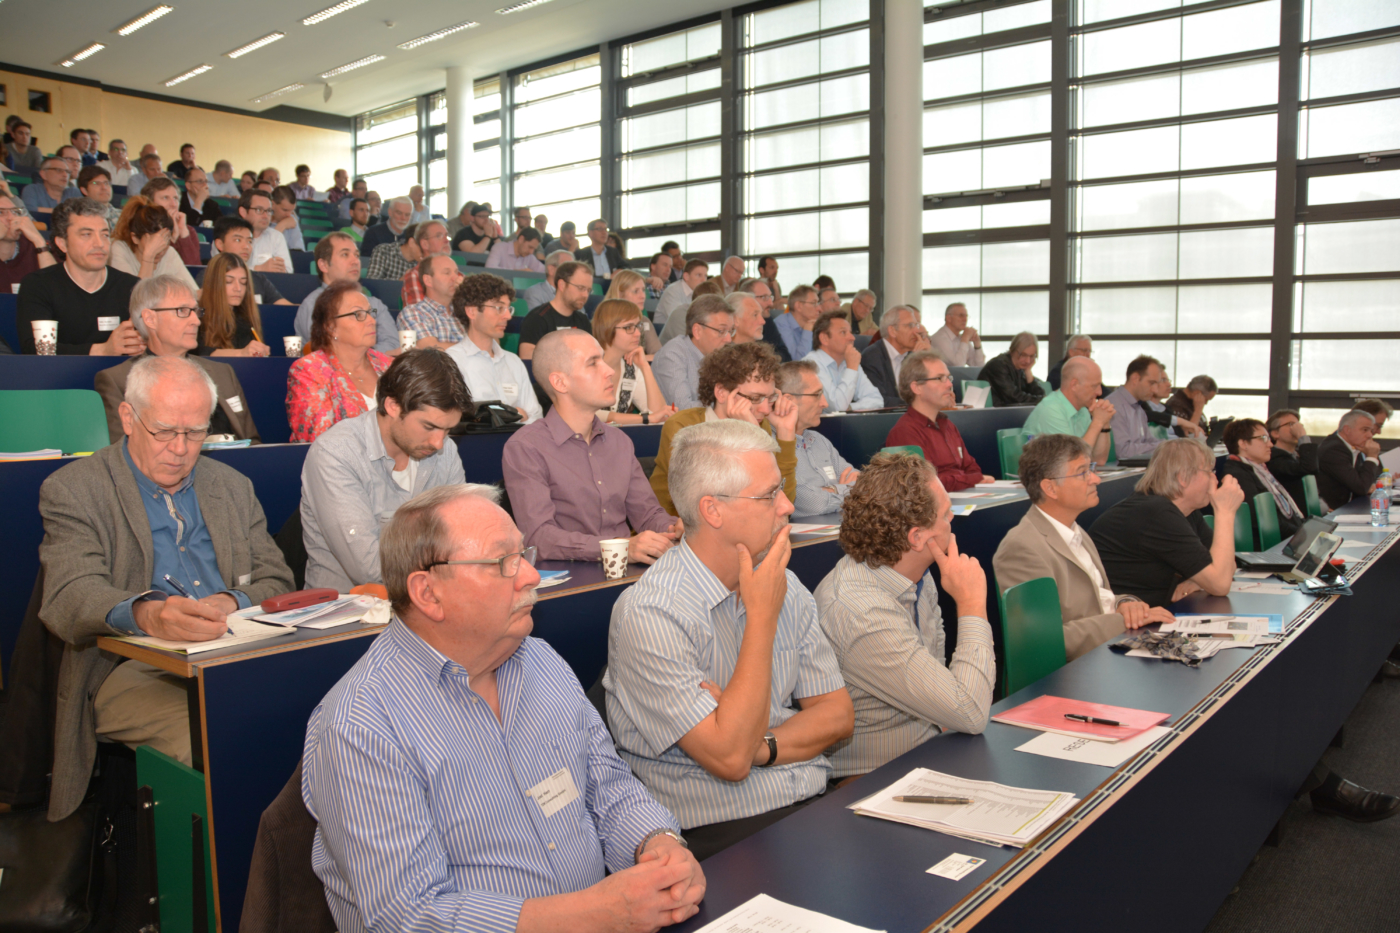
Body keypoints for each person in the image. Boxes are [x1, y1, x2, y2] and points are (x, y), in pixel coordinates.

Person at [302, 482, 705, 932]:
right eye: (502, 563)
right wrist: (594, 915)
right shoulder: (361, 724)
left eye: (523, 555)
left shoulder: (540, 661)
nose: (531, 576)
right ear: (428, 593)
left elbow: (608, 787)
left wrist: (658, 844)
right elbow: (410, 917)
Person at [36, 354, 294, 825]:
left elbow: (277, 579)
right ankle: (226, 890)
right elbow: (69, 594)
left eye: (195, 433)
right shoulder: (76, 489)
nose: (180, 448)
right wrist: (147, 614)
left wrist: (232, 601)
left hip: (234, 661)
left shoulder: (232, 487)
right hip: (126, 667)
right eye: (164, 432)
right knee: (222, 741)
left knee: (310, 721)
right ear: (128, 418)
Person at [606, 418, 853, 860]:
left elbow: (836, 716)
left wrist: (763, 744)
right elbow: (730, 760)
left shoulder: (784, 584)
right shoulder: (651, 613)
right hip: (721, 834)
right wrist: (760, 618)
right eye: (769, 495)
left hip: (808, 798)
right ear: (712, 511)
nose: (788, 506)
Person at [816, 452, 994, 778]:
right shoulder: (862, 612)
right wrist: (972, 607)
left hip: (930, 751)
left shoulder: (916, 576)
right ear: (916, 537)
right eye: (945, 515)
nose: (952, 518)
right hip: (874, 779)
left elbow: (950, 696)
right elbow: (970, 712)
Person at [504, 329, 682, 563]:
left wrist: (678, 527)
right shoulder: (526, 447)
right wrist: (619, 548)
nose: (609, 371)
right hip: (570, 584)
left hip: (627, 576)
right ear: (560, 382)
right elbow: (540, 537)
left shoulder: (619, 441)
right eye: (593, 363)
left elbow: (648, 515)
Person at [301, 350, 471, 591]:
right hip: (346, 616)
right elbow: (369, 568)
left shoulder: (446, 451)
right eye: (429, 426)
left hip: (429, 602)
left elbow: (463, 537)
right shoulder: (335, 453)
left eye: (447, 430)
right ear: (392, 405)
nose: (438, 443)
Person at [994, 435, 1175, 660]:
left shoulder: (1077, 532)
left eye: (1091, 469)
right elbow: (1043, 640)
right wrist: (1122, 620)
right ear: (1050, 488)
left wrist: (1126, 604)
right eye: (1083, 472)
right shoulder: (1021, 548)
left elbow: (1096, 602)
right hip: (1065, 679)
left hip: (1102, 658)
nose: (1096, 479)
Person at [94, 275, 260, 443]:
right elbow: (123, 452)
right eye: (182, 311)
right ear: (150, 319)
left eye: (196, 311)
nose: (196, 321)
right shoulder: (118, 380)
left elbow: (252, 443)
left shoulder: (223, 373)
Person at [1088, 438, 1243, 607]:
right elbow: (1220, 584)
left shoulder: (1184, 510)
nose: (1215, 478)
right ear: (1183, 477)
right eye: (1209, 471)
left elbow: (1227, 566)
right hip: (1124, 622)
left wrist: (1198, 581)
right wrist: (1225, 512)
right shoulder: (1156, 513)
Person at [649, 341, 799, 515]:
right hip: (675, 531)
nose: (766, 409)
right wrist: (750, 436)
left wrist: (786, 433)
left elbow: (782, 505)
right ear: (721, 392)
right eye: (755, 398)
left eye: (770, 397)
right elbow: (707, 506)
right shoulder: (683, 426)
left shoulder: (758, 424)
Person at [16, 198, 143, 355]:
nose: (100, 243)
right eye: (86, 234)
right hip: (58, 377)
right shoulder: (38, 285)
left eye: (104, 235)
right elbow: (35, 350)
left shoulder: (132, 287)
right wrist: (102, 350)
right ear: (62, 244)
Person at [287, 280, 395, 443]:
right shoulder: (309, 371)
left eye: (370, 312)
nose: (372, 321)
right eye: (358, 314)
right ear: (330, 327)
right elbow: (320, 440)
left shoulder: (389, 366)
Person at [884, 350, 993, 490]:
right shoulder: (905, 432)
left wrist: (971, 478)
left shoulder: (948, 426)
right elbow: (926, 484)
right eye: (940, 378)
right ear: (917, 387)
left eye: (949, 378)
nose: (949, 384)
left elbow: (973, 468)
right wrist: (972, 479)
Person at [445, 273, 543, 423]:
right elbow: (464, 420)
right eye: (498, 308)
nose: (507, 316)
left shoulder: (513, 362)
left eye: (508, 308)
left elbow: (535, 416)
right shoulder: (453, 361)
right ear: (471, 311)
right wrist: (516, 414)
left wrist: (497, 416)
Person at [294, 232, 400, 355]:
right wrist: (369, 356)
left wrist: (361, 358)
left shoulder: (374, 304)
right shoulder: (313, 304)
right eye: (345, 254)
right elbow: (327, 351)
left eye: (357, 255)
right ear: (324, 265)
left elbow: (393, 344)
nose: (355, 261)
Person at [778, 360, 859, 518]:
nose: (825, 403)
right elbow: (811, 503)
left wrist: (832, 490)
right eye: (817, 395)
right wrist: (842, 489)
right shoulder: (772, 445)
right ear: (788, 400)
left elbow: (864, 486)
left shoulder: (819, 441)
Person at [592, 298, 673, 425]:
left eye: (637, 326)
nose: (638, 333)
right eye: (629, 327)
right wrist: (644, 419)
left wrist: (644, 366)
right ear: (607, 328)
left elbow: (659, 416)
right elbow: (590, 414)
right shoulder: (587, 364)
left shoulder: (630, 368)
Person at [1106, 355, 1203, 460]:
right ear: (1135, 379)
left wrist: (1174, 445)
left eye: (1157, 384)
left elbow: (1149, 441)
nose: (1155, 390)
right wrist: (1168, 446)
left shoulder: (1138, 407)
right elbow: (1124, 451)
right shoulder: (1113, 405)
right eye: (1151, 383)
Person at [1021, 356, 1114, 465]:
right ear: (1074, 385)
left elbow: (1099, 460)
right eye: (1094, 386)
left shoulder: (1082, 409)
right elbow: (1072, 463)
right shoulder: (1051, 409)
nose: (1099, 392)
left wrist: (1104, 423)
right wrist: (1097, 422)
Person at [1221, 419, 1305, 539]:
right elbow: (1261, 519)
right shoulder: (1237, 475)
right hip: (1269, 545)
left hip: (1287, 536)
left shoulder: (1259, 469)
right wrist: (1302, 534)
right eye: (1263, 438)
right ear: (1243, 444)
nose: (1270, 444)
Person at [652, 294, 736, 412]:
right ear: (697, 331)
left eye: (731, 331)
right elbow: (684, 409)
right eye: (721, 331)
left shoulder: (726, 353)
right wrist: (728, 404)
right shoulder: (672, 355)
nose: (729, 339)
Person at [108, 196, 199, 294]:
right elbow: (135, 300)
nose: (160, 249)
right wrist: (149, 257)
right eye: (153, 242)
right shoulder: (119, 249)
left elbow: (193, 293)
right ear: (135, 238)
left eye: (165, 240)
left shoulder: (170, 253)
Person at [197, 215, 292, 305]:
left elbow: (285, 306)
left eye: (250, 241)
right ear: (220, 244)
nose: (246, 246)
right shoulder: (207, 276)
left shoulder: (259, 278)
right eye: (238, 240)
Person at [802, 310, 884, 413]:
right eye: (843, 332)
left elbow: (877, 400)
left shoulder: (849, 361)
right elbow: (836, 407)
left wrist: (850, 407)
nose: (852, 338)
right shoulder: (811, 364)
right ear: (824, 338)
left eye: (851, 332)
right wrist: (851, 369)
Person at [197, 253, 270, 357]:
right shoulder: (197, 315)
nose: (238, 288)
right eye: (229, 281)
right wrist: (241, 353)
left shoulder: (245, 318)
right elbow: (198, 354)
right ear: (213, 283)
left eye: (243, 282)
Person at [519, 260, 593, 360]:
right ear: (562, 285)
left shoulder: (582, 321)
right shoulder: (537, 318)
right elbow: (526, 355)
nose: (585, 295)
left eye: (588, 290)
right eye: (580, 288)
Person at [861, 304, 930, 406]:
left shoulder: (913, 355)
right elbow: (879, 400)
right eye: (910, 325)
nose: (916, 331)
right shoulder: (871, 357)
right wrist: (920, 402)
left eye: (916, 325)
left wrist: (926, 361)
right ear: (893, 331)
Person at [1315, 409, 1382, 510]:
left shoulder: (1353, 447)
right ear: (1347, 430)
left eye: (1371, 431)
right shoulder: (1333, 451)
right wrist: (1372, 456)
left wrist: (1368, 485)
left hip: (1347, 507)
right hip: (1332, 513)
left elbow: (1365, 482)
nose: (1370, 435)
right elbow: (1362, 487)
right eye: (1365, 430)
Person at [398, 254, 466, 349]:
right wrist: (475, 350)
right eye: (447, 273)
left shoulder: (467, 311)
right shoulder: (413, 312)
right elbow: (430, 349)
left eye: (456, 272)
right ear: (428, 280)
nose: (456, 278)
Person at [218, 188, 292, 274]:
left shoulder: (276, 237)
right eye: (259, 210)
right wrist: (258, 268)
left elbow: (287, 272)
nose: (265, 216)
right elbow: (220, 270)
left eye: (268, 211)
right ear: (243, 212)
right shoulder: (226, 234)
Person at [138, 177, 202, 267]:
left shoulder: (189, 231)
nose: (173, 204)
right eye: (165, 198)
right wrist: (173, 239)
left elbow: (194, 269)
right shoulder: (143, 229)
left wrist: (183, 233)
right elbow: (160, 267)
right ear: (150, 202)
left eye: (176, 198)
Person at [0, 190, 56, 292]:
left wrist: (38, 241)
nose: (11, 218)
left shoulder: (35, 246)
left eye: (14, 211)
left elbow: (56, 291)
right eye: (1, 212)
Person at [1265, 408, 1319, 510]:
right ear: (1275, 433)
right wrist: (1303, 437)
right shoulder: (1274, 458)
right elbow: (1309, 468)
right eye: (1291, 424)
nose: (1297, 428)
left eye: (1298, 424)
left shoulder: (1297, 455)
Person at [603, 269, 664, 355]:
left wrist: (639, 359)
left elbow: (659, 356)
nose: (643, 296)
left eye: (643, 290)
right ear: (620, 295)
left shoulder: (644, 321)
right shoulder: (605, 322)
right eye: (636, 291)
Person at [979, 331, 1045, 407]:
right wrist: (1043, 400)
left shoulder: (1021, 369)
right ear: (1012, 350)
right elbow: (1014, 398)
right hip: (993, 414)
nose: (1028, 361)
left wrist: (1028, 373)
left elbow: (1040, 395)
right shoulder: (999, 366)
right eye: (1023, 355)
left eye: (1032, 356)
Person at [655, 258, 708, 334]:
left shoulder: (699, 293)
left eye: (705, 276)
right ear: (686, 276)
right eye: (699, 275)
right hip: (667, 337)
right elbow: (678, 320)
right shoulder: (672, 291)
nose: (703, 280)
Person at [772, 284, 821, 361]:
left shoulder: (814, 323)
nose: (819, 308)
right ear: (799, 306)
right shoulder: (781, 324)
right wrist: (807, 332)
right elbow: (797, 361)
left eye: (818, 303)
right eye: (813, 303)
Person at [365, 221, 423, 287]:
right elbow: (372, 281)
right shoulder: (383, 251)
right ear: (412, 243)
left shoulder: (424, 262)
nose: (427, 250)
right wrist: (399, 281)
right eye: (423, 245)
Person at [929, 302, 984, 368]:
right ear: (948, 318)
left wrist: (977, 344)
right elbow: (957, 366)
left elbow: (979, 366)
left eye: (966, 316)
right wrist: (965, 338)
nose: (965, 319)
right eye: (961, 315)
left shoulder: (961, 338)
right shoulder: (939, 338)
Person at [76, 164, 121, 230]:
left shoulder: (124, 216)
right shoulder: (78, 217)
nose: (104, 187)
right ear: (84, 190)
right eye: (96, 183)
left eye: (106, 183)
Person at [268, 186, 305, 251]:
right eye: (285, 210)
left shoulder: (291, 220)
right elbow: (265, 252)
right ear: (272, 204)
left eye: (292, 211)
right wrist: (281, 226)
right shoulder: (261, 219)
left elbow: (298, 253)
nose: (288, 215)